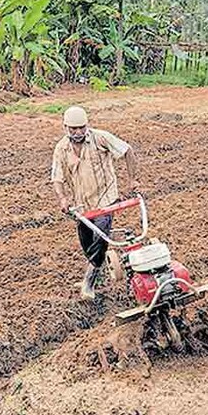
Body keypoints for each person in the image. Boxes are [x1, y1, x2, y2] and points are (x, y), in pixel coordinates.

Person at [50, 106, 141, 299]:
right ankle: (94, 270)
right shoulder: (61, 148)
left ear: (87, 125)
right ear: (65, 127)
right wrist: (63, 198)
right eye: (73, 129)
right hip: (82, 205)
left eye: (81, 128)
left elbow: (127, 150)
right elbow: (57, 177)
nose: (78, 133)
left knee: (100, 238)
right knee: (86, 241)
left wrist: (132, 180)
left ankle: (89, 282)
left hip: (106, 199)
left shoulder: (100, 138)